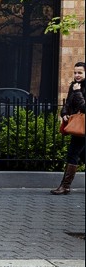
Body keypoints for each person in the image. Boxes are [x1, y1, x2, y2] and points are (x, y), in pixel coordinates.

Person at [51, 61, 85, 195]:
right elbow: (68, 103)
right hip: (78, 124)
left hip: (82, 125)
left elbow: (83, 107)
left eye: (80, 72)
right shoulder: (74, 85)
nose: (77, 75)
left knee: (72, 153)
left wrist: (77, 92)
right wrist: (64, 113)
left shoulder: (78, 88)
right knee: (82, 154)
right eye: (75, 72)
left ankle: (65, 186)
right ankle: (65, 186)